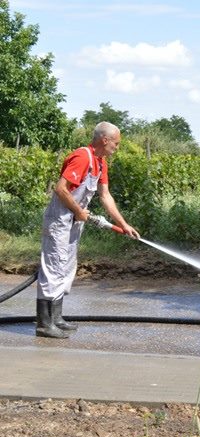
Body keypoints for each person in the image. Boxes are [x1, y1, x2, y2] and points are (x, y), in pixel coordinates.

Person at [35, 122, 139, 338]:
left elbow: (105, 196)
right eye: (116, 143)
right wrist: (78, 211)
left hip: (73, 221)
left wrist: (123, 224)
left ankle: (56, 318)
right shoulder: (83, 157)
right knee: (54, 268)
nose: (117, 148)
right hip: (60, 220)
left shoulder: (100, 163)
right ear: (105, 140)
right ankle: (44, 324)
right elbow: (61, 189)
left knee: (66, 267)